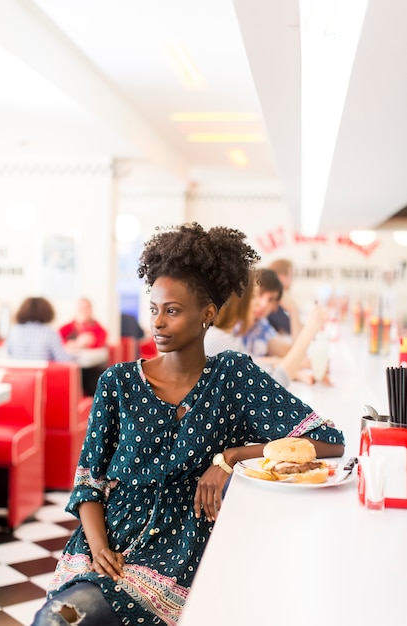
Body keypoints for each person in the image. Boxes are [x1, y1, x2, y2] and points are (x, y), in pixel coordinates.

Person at [32, 223, 345, 626]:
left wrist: (229, 457)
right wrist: (98, 547)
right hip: (109, 540)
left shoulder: (232, 375)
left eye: (173, 311)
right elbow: (89, 481)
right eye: (155, 309)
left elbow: (327, 441)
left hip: (182, 546)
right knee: (56, 618)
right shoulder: (118, 382)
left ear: (208, 314)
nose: (158, 323)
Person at [204, 271, 328, 388]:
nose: (260, 304)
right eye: (254, 296)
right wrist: (310, 330)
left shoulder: (222, 337)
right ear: (239, 300)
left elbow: (258, 367)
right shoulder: (219, 340)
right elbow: (273, 384)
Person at [59, 298, 108, 396]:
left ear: (91, 310)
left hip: (91, 369)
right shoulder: (67, 327)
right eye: (80, 308)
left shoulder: (98, 328)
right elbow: (59, 343)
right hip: (71, 367)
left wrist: (82, 328)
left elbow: (96, 343)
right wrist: (77, 342)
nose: (83, 311)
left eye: (86, 308)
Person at [6, 296, 74, 362]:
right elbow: (63, 359)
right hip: (41, 373)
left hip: (17, 373)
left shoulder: (15, 331)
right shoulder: (50, 333)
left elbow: (7, 353)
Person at [267, 258, 303, 338]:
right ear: (282, 278)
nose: (292, 280)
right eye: (291, 276)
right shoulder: (272, 301)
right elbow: (291, 329)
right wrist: (294, 310)